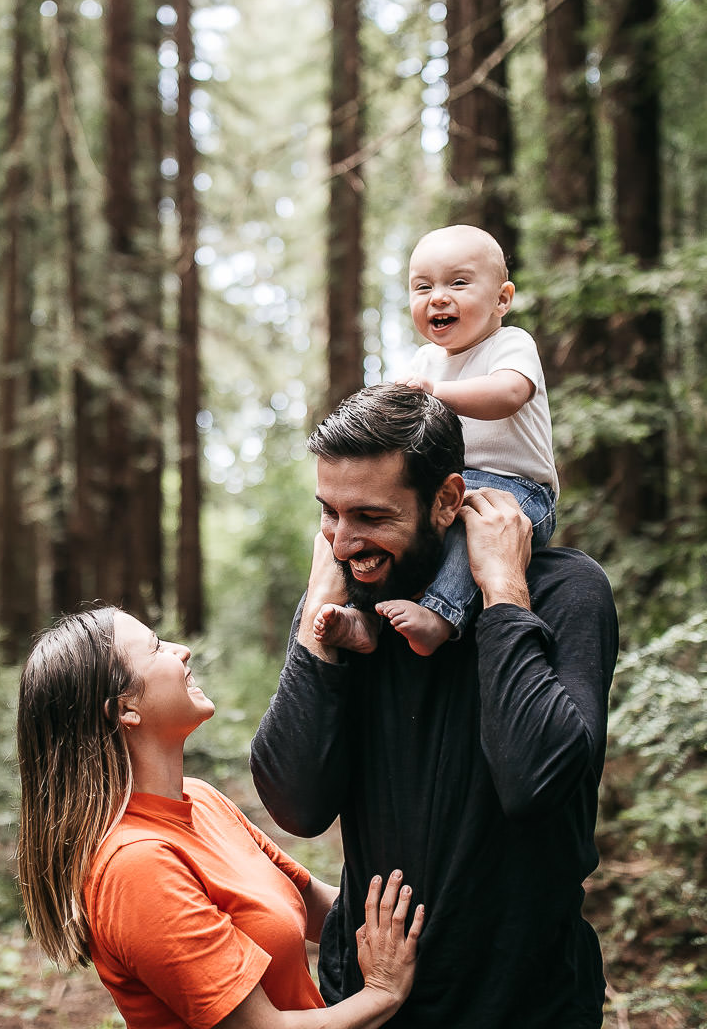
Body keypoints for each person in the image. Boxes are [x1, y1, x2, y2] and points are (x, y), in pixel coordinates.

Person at [251, 384, 618, 1029]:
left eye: (370, 516)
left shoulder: (563, 592)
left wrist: (503, 594)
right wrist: (316, 617)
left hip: (525, 1001)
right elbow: (296, 803)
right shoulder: (344, 606)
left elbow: (535, 782)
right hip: (370, 999)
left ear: (448, 500)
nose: (343, 543)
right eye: (330, 514)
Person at [16, 606, 427, 1029]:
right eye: (156, 648)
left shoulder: (201, 799)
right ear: (125, 709)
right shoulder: (136, 866)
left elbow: (323, 907)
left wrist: (443, 909)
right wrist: (382, 992)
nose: (182, 650)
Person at [316, 224, 559, 658]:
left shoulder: (510, 343)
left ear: (502, 299)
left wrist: (435, 392)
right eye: (423, 287)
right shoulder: (425, 360)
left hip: (518, 490)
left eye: (458, 283)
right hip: (450, 484)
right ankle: (364, 616)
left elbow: (508, 393)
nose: (438, 298)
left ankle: (441, 616)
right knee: (394, 535)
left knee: (473, 534)